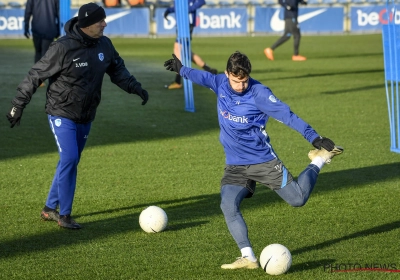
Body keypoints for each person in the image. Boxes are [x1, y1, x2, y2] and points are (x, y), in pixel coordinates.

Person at [164, 51, 343, 269]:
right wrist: (181, 69)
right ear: (227, 74)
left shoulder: (259, 94)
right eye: (236, 80)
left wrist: (315, 138)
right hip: (235, 165)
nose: (240, 85)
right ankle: (248, 257)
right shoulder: (220, 83)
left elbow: (288, 115)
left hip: (263, 162)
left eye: (245, 80)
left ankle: (319, 160)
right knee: (227, 205)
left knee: (298, 199)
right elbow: (202, 77)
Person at [6, 3, 149, 230]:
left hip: (86, 114)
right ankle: (65, 215)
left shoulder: (105, 44)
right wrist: (17, 105)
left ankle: (49, 208)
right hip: (61, 111)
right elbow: (35, 75)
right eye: (100, 21)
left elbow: (118, 70)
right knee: (70, 158)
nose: (105, 23)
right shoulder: (62, 48)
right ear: (86, 24)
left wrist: (135, 87)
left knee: (69, 160)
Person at [164, 0, 218, 90]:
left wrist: (187, 9)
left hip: (187, 25)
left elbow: (201, 2)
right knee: (186, 52)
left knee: (177, 48)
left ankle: (177, 81)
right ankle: (209, 70)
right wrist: (169, 10)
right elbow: (178, 7)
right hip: (181, 25)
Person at [24, 0, 60, 88]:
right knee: (47, 55)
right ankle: (46, 79)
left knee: (38, 53)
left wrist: (26, 27)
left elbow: (28, 11)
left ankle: (38, 79)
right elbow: (58, 12)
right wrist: (58, 28)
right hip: (50, 28)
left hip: (37, 28)